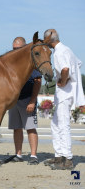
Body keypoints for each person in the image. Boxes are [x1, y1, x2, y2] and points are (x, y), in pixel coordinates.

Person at [43, 29, 85, 170]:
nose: (44, 42)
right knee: (55, 124)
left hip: (65, 94)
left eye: (45, 39)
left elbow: (65, 69)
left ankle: (68, 159)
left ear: (50, 39)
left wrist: (63, 81)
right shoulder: (67, 50)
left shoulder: (60, 52)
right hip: (67, 93)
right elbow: (78, 64)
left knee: (63, 125)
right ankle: (59, 155)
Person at [7, 37, 42, 165]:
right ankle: (18, 154)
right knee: (16, 128)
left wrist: (32, 101)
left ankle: (33, 156)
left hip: (27, 100)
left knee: (31, 128)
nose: (15, 51)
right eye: (14, 49)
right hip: (14, 101)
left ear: (25, 47)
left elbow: (38, 82)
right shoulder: (10, 62)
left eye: (18, 48)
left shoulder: (31, 62)